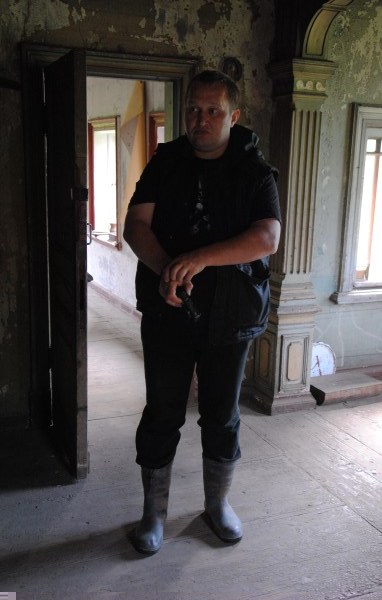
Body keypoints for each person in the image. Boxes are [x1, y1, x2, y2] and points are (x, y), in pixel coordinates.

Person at [123, 70, 281, 554]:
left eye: (214, 111)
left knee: (221, 415)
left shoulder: (254, 170)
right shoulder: (165, 162)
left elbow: (267, 238)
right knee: (161, 412)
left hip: (231, 317)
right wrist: (168, 270)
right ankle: (154, 514)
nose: (202, 119)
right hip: (168, 311)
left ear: (234, 116)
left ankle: (217, 504)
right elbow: (136, 225)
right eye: (194, 109)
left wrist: (199, 258)